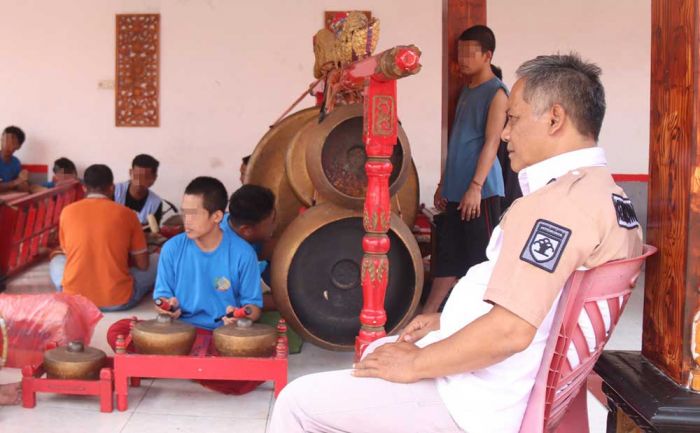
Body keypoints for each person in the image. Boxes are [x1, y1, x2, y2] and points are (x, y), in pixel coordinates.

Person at [267, 53, 644, 433]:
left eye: (512, 119)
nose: (506, 134)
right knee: (379, 352)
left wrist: (416, 362)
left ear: (554, 118)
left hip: (473, 404)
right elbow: (538, 306)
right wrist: (447, 321)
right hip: (493, 385)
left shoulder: (556, 207)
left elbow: (511, 331)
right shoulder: (606, 195)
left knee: (298, 402)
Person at [424, 25, 509, 314]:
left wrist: (475, 187)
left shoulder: (496, 92)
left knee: (481, 261)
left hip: (481, 193)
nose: (463, 59)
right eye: (460, 53)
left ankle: (481, 322)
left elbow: (491, 142)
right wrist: (444, 182)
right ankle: (427, 316)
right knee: (449, 258)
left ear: (488, 55)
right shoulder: (466, 90)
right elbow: (459, 142)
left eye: (470, 53)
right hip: (456, 190)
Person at [49, 164, 157, 311]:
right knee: (157, 259)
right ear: (111, 188)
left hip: (75, 299)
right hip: (117, 300)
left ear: (84, 188)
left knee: (57, 260)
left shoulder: (67, 212)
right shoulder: (128, 214)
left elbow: (70, 255)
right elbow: (143, 264)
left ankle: (67, 289)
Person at [114, 154, 163, 226]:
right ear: (130, 173)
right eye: (136, 176)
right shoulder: (114, 191)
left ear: (154, 178)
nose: (139, 182)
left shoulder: (155, 203)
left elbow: (152, 232)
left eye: (145, 177)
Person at [0, 126, 29, 193]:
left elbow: (21, 188)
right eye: (5, 141)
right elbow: (15, 183)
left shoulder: (16, 162)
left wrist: (23, 181)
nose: (7, 145)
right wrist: (16, 182)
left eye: (12, 142)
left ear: (19, 146)